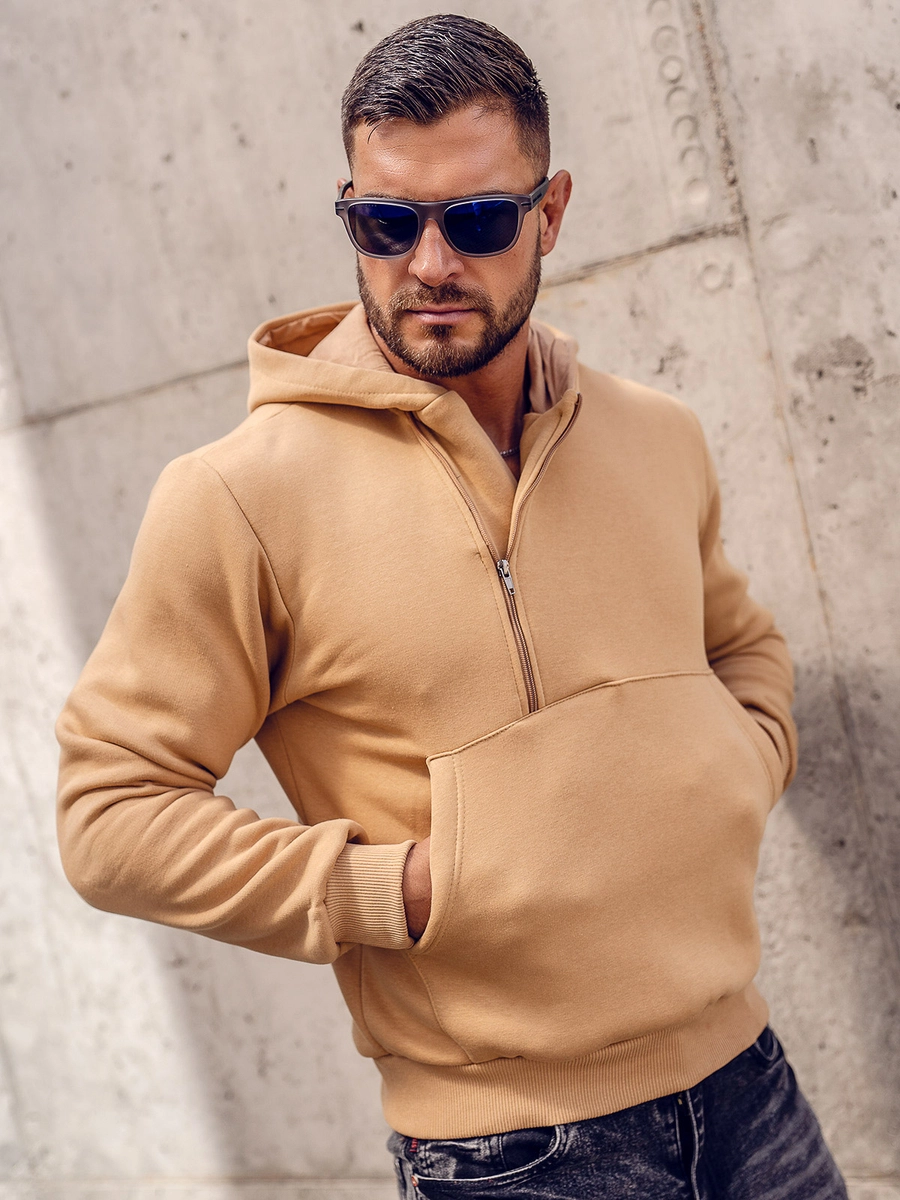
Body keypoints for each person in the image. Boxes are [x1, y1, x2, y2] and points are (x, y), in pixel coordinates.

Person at [56, 14, 849, 1199]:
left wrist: (734, 767)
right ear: (351, 214)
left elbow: (740, 645)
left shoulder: (657, 435)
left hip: (751, 1089)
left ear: (551, 212)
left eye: (477, 220)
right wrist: (403, 888)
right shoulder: (240, 497)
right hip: (509, 1156)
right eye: (386, 223)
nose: (429, 262)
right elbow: (109, 814)